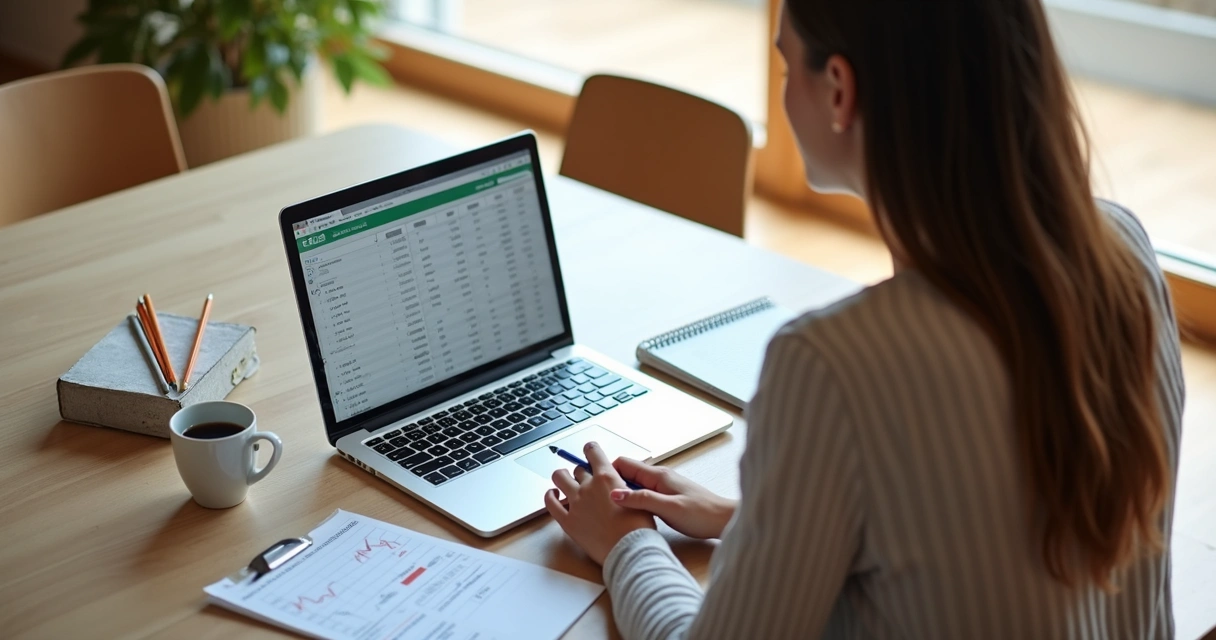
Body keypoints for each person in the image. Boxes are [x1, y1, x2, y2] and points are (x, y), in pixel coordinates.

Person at [542, 1, 1185, 638]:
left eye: (788, 66)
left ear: (839, 92)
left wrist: (627, 543)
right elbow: (985, 526)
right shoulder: (1125, 255)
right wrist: (759, 518)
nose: (786, 92)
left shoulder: (830, 365)